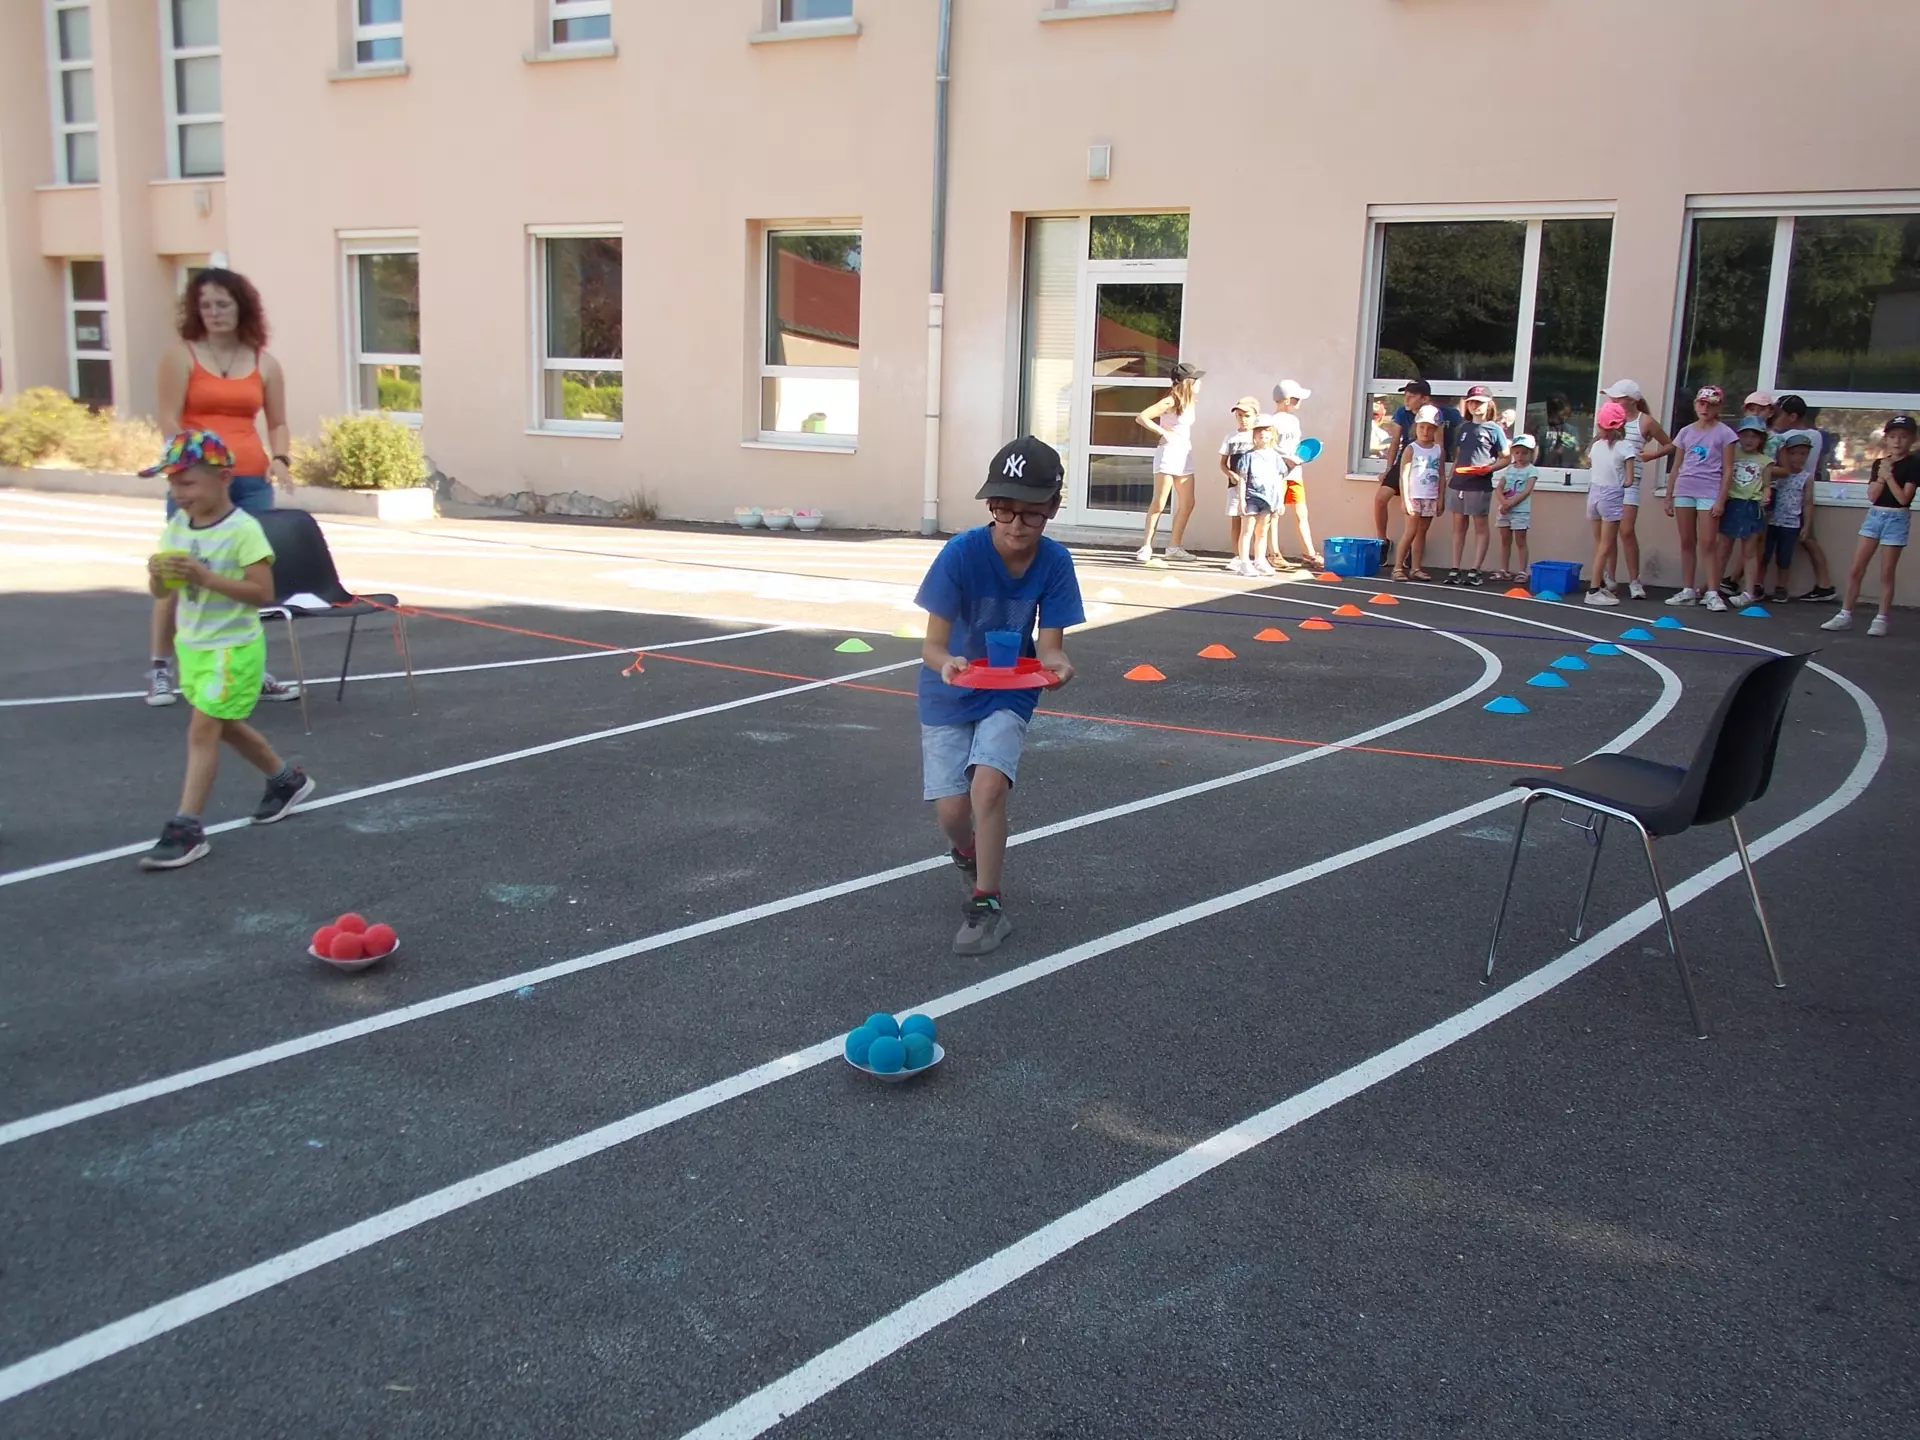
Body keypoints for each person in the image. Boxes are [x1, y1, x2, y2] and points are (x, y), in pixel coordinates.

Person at [916, 435, 1083, 956]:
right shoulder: (961, 554)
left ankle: (987, 904)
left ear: (1053, 508)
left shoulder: (1054, 563)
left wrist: (1059, 667)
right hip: (950, 688)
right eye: (1002, 510)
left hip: (1009, 690)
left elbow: (1050, 648)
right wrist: (951, 664)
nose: (1015, 525)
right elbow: (932, 646)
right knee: (951, 811)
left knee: (988, 787)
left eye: (1030, 514)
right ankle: (966, 852)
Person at [138, 430, 316, 870]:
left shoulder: (243, 530)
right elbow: (164, 590)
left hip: (233, 648)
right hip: (195, 648)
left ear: (223, 478)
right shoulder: (178, 527)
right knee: (226, 726)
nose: (178, 494)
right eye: (172, 484)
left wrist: (205, 577)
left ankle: (186, 827)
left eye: (187, 483)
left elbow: (262, 592)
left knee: (202, 731)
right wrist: (159, 575)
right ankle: (285, 780)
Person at [146, 267, 299, 708]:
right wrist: (187, 468)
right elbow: (169, 417)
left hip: (250, 482)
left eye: (223, 304)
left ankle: (247, 663)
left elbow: (279, 421)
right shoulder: (182, 356)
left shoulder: (264, 362)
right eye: (206, 304)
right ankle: (159, 668)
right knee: (177, 572)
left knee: (247, 577)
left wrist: (282, 458)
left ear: (241, 308)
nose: (214, 312)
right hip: (199, 482)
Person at [1823, 413, 1916, 637]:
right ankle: (1845, 613)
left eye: (1903, 437)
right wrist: (1882, 476)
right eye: (1893, 436)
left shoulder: (1914, 464)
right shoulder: (1879, 463)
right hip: (1875, 516)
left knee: (1886, 572)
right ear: (1886, 439)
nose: (1897, 441)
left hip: (1896, 517)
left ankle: (1881, 618)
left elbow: (1904, 498)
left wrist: (1890, 477)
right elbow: (1873, 496)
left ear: (1912, 439)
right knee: (1857, 567)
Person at [1662, 386, 1739, 605]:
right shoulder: (1686, 432)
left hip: (1709, 491)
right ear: (1696, 404)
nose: (1705, 408)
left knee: (1708, 543)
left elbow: (1728, 469)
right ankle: (1687, 589)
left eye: (1710, 404)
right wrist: (1669, 496)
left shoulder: (1725, 433)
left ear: (1718, 407)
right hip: (1685, 489)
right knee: (1687, 541)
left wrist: (1721, 499)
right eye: (1701, 403)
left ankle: (1713, 592)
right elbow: (1676, 467)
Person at [1375, 379, 1460, 566]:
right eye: (1405, 395)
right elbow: (1395, 441)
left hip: (1425, 464)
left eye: (1411, 396)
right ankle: (1383, 541)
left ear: (1424, 398)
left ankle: (1414, 555)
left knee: (1419, 523)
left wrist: (1440, 477)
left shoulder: (1435, 416)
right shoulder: (1401, 413)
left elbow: (1440, 445)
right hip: (1406, 458)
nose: (1406, 399)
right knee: (1381, 498)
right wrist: (1388, 468)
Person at [1601, 379, 1672, 600]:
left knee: (1626, 531)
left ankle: (1634, 581)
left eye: (1618, 398)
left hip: (1630, 483)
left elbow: (1670, 444)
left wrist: (1653, 455)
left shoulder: (1645, 421)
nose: (1613, 401)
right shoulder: (1611, 418)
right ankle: (1610, 578)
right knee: (1609, 532)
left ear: (1632, 401)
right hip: (1609, 482)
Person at [1710, 418, 1790, 612]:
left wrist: (1767, 496)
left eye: (1754, 436)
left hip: (1751, 506)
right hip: (1731, 503)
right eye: (1745, 435)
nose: (1749, 440)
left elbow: (1767, 485)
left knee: (1750, 551)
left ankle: (1748, 592)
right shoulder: (1731, 454)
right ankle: (1713, 590)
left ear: (1762, 439)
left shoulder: (1765, 461)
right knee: (1723, 549)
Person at [1768, 395, 1837, 601]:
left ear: (1792, 416)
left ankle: (1824, 585)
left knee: (1804, 538)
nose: (1774, 419)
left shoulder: (1787, 436)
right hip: (1796, 491)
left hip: (1791, 490)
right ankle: (1823, 583)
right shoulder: (1815, 435)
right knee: (1806, 540)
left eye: (1778, 414)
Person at [1133, 361, 1203, 565]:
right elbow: (1142, 417)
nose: (1200, 383)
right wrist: (1163, 432)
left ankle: (1174, 547)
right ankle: (1146, 546)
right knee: (1159, 502)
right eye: (1196, 379)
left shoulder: (1190, 402)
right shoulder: (1170, 401)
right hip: (1168, 453)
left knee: (1188, 502)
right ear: (1187, 382)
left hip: (1184, 454)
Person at [1445, 384, 1508, 585]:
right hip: (1459, 482)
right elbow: (1459, 456)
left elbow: (1505, 458)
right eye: (1472, 402)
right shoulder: (1463, 427)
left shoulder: (1494, 429)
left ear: (1489, 404)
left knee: (1480, 526)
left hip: (1479, 483)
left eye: (1479, 402)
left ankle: (1475, 569)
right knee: (1458, 526)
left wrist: (1488, 469)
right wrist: (1450, 479)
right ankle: (1455, 568)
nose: (1475, 406)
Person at [1760, 420, 1818, 604]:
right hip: (1771, 521)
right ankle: (1757, 585)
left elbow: (1808, 503)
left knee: (1784, 558)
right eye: (1793, 453)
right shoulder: (1776, 472)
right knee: (1764, 554)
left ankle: (1781, 587)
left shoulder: (1806, 478)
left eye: (1803, 454)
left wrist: (1806, 525)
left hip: (1791, 523)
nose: (1798, 458)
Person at [1268, 379, 1323, 569]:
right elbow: (1269, 448)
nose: (1299, 400)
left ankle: (1309, 553)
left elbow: (1297, 448)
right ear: (1286, 399)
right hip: (1277, 474)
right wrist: (1285, 460)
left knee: (1301, 512)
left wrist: (1299, 458)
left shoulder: (1294, 420)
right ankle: (1273, 552)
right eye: (1296, 397)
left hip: (1295, 473)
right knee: (1274, 513)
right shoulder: (1272, 421)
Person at [1390, 405, 1448, 583]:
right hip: (1414, 496)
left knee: (1422, 533)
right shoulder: (1411, 448)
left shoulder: (1438, 450)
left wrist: (1440, 498)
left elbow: (1441, 475)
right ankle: (1397, 568)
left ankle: (1416, 568)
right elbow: (1404, 475)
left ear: (1435, 430)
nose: (1425, 431)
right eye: (1422, 427)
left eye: (1430, 427)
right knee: (1410, 531)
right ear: (1416, 427)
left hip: (1430, 496)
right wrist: (1405, 500)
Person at [1584, 401, 1633, 605]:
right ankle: (1594, 589)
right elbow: (1629, 480)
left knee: (1599, 544)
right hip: (1612, 496)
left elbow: (1590, 463)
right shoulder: (1626, 447)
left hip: (1593, 494)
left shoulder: (1596, 446)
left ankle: (1601, 585)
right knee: (1606, 545)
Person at [1230, 417, 1284, 577]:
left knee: (1262, 531)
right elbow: (1242, 479)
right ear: (1254, 435)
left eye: (1267, 431)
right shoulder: (1248, 456)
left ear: (1272, 435)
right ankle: (1244, 561)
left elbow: (1279, 479)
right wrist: (1241, 500)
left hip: (1269, 499)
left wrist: (1279, 501)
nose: (1263, 434)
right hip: (1251, 497)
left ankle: (1260, 560)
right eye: (1259, 431)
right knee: (1247, 530)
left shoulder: (1276, 457)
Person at [1492, 433, 1539, 583]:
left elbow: (1526, 491)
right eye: (1517, 452)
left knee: (1520, 540)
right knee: (1505, 540)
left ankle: (1522, 571)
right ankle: (1504, 569)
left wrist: (1510, 503)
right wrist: (1503, 503)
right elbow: (1499, 488)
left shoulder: (1531, 470)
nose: (1520, 456)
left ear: (1531, 453)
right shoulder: (1509, 469)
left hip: (1520, 511)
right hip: (1505, 510)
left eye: (1525, 453)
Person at [1217, 397, 1260, 558]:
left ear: (1255, 415)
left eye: (1247, 415)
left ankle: (1258, 556)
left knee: (1255, 522)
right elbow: (1223, 463)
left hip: (1255, 486)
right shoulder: (1231, 436)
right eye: (1239, 416)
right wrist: (1231, 474)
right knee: (1236, 521)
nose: (1243, 420)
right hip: (1235, 487)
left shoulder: (1258, 436)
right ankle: (1238, 555)